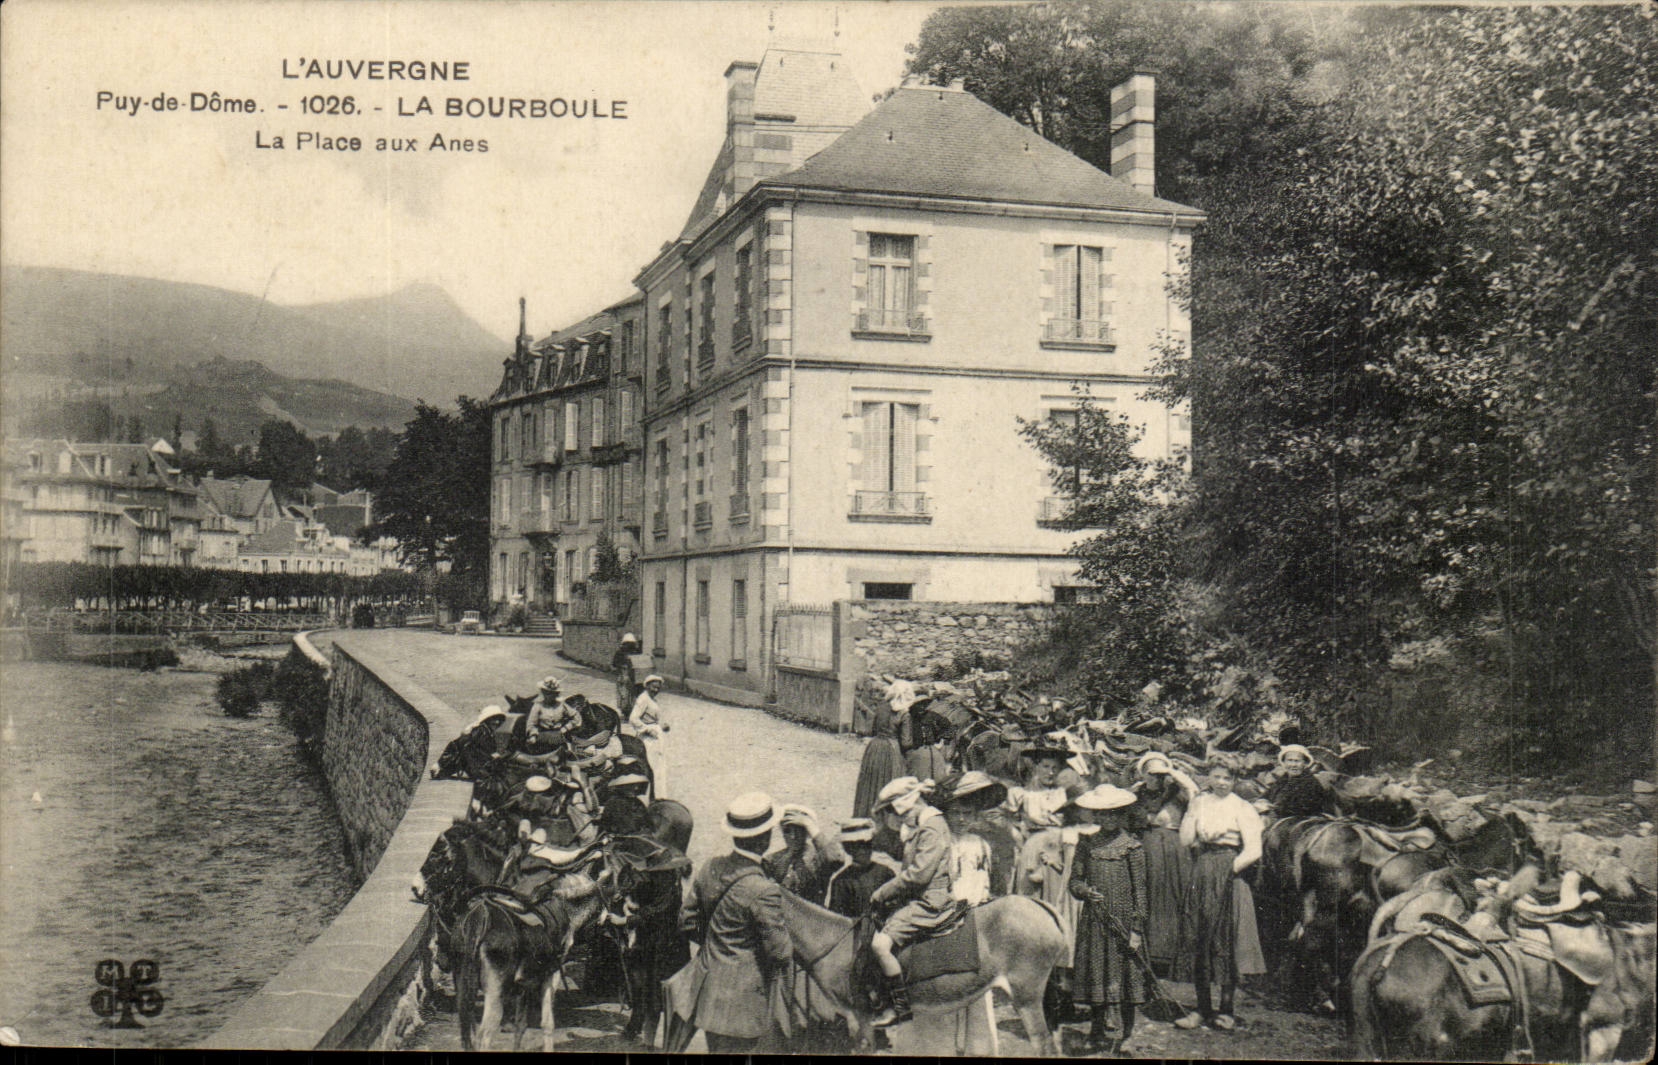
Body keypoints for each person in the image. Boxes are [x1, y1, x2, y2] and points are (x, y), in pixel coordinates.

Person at [672, 791, 795, 1054]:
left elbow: (686, 922)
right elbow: (780, 952)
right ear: (764, 838)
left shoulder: (711, 867)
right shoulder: (763, 889)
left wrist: (717, 942)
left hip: (709, 994)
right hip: (743, 1003)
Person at [1175, 760, 1267, 1032]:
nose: (1221, 782)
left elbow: (1253, 850)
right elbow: (1185, 840)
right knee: (1198, 935)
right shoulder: (1201, 803)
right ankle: (1201, 1008)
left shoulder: (1242, 807)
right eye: (1216, 776)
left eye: (1227, 777)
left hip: (1230, 871)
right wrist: (1191, 812)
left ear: (1235, 779)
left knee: (1226, 937)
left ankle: (1226, 1010)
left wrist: (1228, 871)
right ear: (1209, 777)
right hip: (1203, 869)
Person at [868, 776, 958, 1025]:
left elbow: (919, 875)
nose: (901, 820)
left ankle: (900, 1007)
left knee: (880, 945)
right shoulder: (922, 825)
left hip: (930, 902)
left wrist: (884, 892)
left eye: (901, 814)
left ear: (911, 805)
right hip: (919, 896)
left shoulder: (931, 827)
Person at [1068, 784, 1149, 1054]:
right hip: (1095, 921)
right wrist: (1085, 891)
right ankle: (1096, 1030)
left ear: (1123, 815)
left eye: (1114, 813)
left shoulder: (1132, 846)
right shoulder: (1086, 844)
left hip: (1123, 922)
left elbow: (1140, 891)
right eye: (1103, 813)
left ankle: (1126, 1034)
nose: (1109, 818)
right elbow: (1074, 881)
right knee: (1096, 973)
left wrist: (1136, 929)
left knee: (1125, 977)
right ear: (1095, 815)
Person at [1134, 751, 1199, 976]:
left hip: (1174, 851)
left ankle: (1173, 956)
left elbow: (1195, 793)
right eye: (1151, 773)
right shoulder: (1136, 795)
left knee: (1174, 897)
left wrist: (1172, 772)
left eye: (1160, 774)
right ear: (1143, 774)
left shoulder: (1177, 794)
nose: (1156, 778)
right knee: (1149, 896)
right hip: (1147, 849)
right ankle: (1149, 954)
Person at [852, 678, 918, 820]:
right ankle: (884, 819)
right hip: (891, 750)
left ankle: (865, 814)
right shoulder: (904, 714)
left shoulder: (881, 707)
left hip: (875, 747)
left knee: (870, 782)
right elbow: (906, 743)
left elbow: (873, 730)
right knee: (890, 783)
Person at [824, 819, 896, 919]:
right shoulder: (842, 881)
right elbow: (837, 920)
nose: (864, 850)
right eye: (857, 846)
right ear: (848, 849)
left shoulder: (886, 873)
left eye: (867, 844)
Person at [762, 805, 835, 903]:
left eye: (798, 831)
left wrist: (809, 824)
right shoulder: (772, 859)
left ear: (807, 832)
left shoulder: (818, 858)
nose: (793, 836)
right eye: (787, 831)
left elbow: (834, 858)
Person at [1004, 745, 1072, 841]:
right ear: (1036, 767)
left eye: (1055, 768)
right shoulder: (1020, 794)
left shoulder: (1063, 794)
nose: (1051, 773)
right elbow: (1009, 824)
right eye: (1046, 767)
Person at [1259, 744, 1336, 820]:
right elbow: (1267, 795)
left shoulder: (1309, 782)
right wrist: (1262, 802)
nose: (1293, 765)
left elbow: (1301, 809)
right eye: (1290, 760)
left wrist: (1273, 809)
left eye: (1297, 761)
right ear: (1284, 763)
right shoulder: (1283, 780)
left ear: (1305, 764)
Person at [628, 675, 671, 797]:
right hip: (648, 739)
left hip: (655, 735)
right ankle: (652, 795)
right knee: (652, 765)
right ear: (646, 686)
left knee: (659, 765)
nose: (656, 690)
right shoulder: (643, 699)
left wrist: (662, 726)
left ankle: (658, 794)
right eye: (653, 687)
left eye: (658, 688)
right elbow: (633, 718)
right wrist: (647, 729)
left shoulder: (652, 699)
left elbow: (652, 718)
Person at [612, 632, 644, 711]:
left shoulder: (622, 652)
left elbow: (614, 664)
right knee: (626, 694)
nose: (629, 645)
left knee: (626, 694)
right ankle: (628, 709)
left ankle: (628, 709)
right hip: (628, 676)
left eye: (630, 643)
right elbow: (615, 663)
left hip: (630, 676)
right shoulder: (633, 651)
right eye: (628, 643)